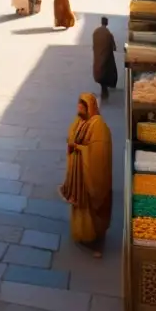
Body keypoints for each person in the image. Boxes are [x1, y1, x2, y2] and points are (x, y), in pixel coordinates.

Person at [59, 93, 113, 257]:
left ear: (90, 107)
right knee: (79, 204)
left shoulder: (99, 126)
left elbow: (99, 154)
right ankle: (81, 233)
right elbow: (71, 136)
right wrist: (72, 144)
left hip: (90, 174)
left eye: (82, 106)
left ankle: (94, 238)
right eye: (78, 106)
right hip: (78, 174)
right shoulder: (80, 121)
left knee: (91, 203)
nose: (79, 109)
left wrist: (80, 148)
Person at [92, 17, 118, 101]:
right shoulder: (108, 33)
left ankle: (104, 90)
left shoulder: (96, 32)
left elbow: (94, 45)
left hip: (97, 56)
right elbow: (114, 47)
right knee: (107, 72)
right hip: (106, 56)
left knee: (100, 71)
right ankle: (105, 91)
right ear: (106, 23)